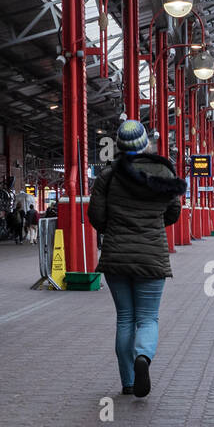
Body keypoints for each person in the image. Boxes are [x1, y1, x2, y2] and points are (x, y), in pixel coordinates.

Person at [89, 119, 187, 398]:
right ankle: (143, 357)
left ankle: (128, 382)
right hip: (152, 258)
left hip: (116, 257)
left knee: (125, 319)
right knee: (147, 319)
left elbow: (96, 216)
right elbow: (173, 213)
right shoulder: (165, 173)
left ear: (119, 146)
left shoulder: (108, 175)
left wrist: (116, 229)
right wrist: (151, 224)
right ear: (146, 143)